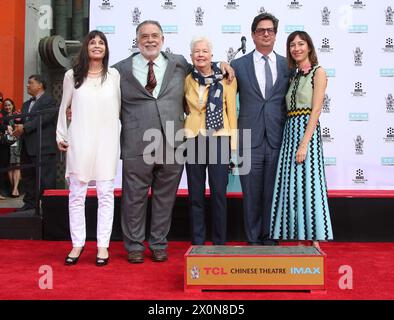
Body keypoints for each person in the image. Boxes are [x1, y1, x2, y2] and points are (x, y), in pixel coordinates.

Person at [114, 20, 234, 263]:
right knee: (134, 197)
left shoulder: (178, 63)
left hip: (173, 142)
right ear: (137, 40)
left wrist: (222, 63)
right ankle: (135, 246)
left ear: (162, 40)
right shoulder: (119, 70)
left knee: (164, 198)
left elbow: (204, 67)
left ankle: (158, 243)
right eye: (144, 35)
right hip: (137, 142)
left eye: (155, 35)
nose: (150, 40)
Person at [57, 30, 121, 266]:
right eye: (92, 42)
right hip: (80, 139)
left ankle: (102, 246)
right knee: (76, 195)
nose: (96, 46)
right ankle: (77, 244)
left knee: (106, 195)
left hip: (107, 140)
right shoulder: (72, 75)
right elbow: (64, 107)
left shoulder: (114, 76)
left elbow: (121, 108)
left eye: (101, 42)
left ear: (106, 49)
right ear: (85, 47)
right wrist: (61, 134)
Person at [230, 13, 291, 245]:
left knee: (273, 192)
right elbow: (224, 98)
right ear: (253, 34)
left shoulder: (288, 65)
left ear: (275, 35)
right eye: (261, 30)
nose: (266, 34)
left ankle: (271, 237)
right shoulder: (237, 65)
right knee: (251, 193)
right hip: (248, 139)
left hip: (278, 138)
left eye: (270, 30)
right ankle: (253, 239)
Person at [270, 31, 333, 246]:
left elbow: (316, 110)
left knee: (310, 183)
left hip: (307, 132)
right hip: (290, 132)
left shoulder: (319, 72)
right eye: (292, 45)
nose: (296, 48)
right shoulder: (294, 75)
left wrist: (304, 143)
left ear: (309, 47)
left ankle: (314, 239)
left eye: (300, 44)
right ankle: (298, 237)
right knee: (293, 185)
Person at [184, 36, 237, 245]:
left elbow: (232, 111)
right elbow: (183, 106)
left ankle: (219, 242)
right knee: (195, 195)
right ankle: (197, 241)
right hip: (193, 138)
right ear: (191, 56)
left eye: (204, 51)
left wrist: (233, 145)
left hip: (219, 138)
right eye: (196, 51)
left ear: (212, 55)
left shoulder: (226, 77)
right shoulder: (187, 78)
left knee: (218, 194)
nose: (200, 55)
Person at [13, 75, 58, 211]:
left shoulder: (49, 100)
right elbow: (25, 122)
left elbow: (45, 118)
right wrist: (18, 125)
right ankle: (30, 203)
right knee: (28, 177)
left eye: (30, 83)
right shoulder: (26, 104)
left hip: (43, 147)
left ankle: (49, 206)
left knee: (46, 179)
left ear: (40, 85)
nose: (27, 85)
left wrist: (25, 127)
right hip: (27, 147)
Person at [3, 99, 22, 198]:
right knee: (10, 166)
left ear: (12, 105)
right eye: (6, 105)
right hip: (6, 143)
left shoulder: (17, 114)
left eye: (9, 105)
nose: (7, 107)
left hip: (17, 142)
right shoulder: (2, 116)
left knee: (17, 165)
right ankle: (14, 188)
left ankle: (15, 189)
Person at [0, 92, 9, 200]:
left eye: (0, 100)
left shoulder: (3, 113)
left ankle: (1, 191)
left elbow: (7, 125)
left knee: (2, 167)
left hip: (2, 144)